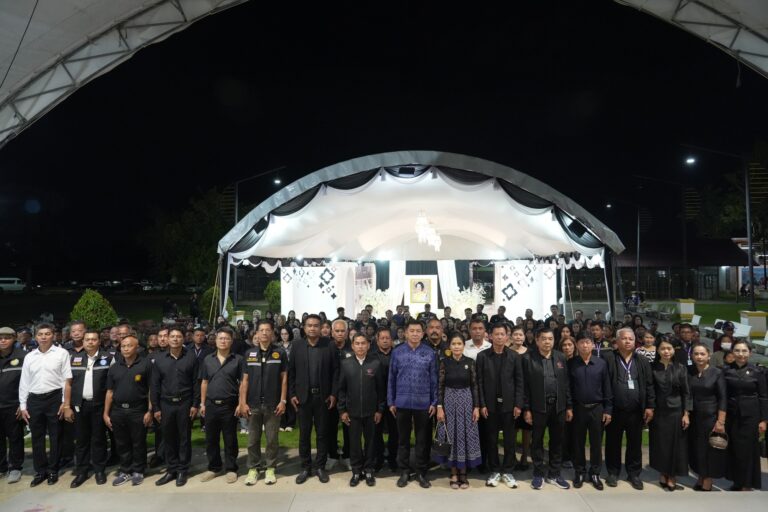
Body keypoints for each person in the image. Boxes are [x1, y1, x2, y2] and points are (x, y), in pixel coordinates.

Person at [19, 323, 73, 487]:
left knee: (56, 436)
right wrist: (23, 405)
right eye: (40, 334)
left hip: (54, 398)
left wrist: (64, 402)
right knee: (37, 437)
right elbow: (24, 381)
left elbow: (66, 380)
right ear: (36, 337)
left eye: (47, 333)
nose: (43, 337)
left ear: (53, 335)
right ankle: (40, 471)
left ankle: (53, 470)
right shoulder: (29, 356)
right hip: (34, 400)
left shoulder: (62, 353)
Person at [289, 314, 339, 484]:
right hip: (303, 398)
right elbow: (291, 372)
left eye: (316, 325)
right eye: (309, 325)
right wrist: (292, 394)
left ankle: (320, 467)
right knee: (304, 434)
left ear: (321, 328)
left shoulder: (329, 345)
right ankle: (305, 467)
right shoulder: (297, 346)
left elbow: (336, 372)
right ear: (304, 328)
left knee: (322, 434)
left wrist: (333, 394)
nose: (312, 328)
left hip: (323, 398)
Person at [388, 318, 438, 489]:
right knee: (403, 440)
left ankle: (421, 472)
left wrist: (434, 402)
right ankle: (404, 471)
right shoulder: (397, 352)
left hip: (423, 403)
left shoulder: (429, 353)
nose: (415, 334)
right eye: (412, 331)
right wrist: (391, 401)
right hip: (401, 402)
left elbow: (434, 380)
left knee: (422, 440)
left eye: (418, 331)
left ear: (423, 334)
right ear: (406, 333)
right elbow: (391, 378)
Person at [603, 328, 655, 490]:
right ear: (617, 341)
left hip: (636, 411)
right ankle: (613, 472)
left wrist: (650, 406)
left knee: (635, 443)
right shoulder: (608, 358)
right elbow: (604, 384)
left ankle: (634, 474)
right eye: (624, 338)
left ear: (635, 342)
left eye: (630, 339)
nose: (627, 341)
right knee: (613, 442)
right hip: (615, 410)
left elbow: (649, 385)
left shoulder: (642, 360)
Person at [522, 328, 572, 490]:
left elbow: (566, 384)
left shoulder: (560, 357)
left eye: (550, 339)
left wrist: (569, 406)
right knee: (537, 441)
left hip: (558, 406)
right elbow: (525, 387)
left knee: (557, 441)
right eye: (543, 339)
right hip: (538, 407)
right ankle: (538, 473)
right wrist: (527, 409)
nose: (547, 342)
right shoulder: (528, 358)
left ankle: (554, 474)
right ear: (537, 340)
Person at [150, 327, 200, 487]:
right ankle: (171, 469)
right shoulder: (159, 360)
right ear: (167, 339)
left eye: (178, 336)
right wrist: (156, 407)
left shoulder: (191, 357)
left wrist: (195, 404)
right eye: (172, 336)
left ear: (183, 339)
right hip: (166, 404)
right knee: (168, 437)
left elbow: (196, 383)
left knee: (184, 438)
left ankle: (182, 470)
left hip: (185, 403)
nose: (175, 339)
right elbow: (155, 385)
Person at [476, 323, 523, 489]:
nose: (499, 337)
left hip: (509, 405)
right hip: (489, 405)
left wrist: (518, 404)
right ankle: (495, 470)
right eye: (496, 334)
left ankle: (508, 470)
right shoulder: (482, 356)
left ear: (507, 336)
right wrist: (481, 404)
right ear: (490, 336)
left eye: (502, 334)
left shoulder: (514, 356)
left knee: (510, 440)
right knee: (491, 439)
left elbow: (519, 382)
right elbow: (479, 382)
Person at [241, 321, 288, 486]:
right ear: (256, 333)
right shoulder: (249, 354)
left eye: (268, 330)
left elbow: (284, 379)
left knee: (271, 439)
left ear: (273, 333)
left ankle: (270, 467)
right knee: (252, 440)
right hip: (253, 404)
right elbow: (245, 381)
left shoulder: (279, 353)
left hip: (273, 404)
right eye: (261, 330)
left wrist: (283, 401)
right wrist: (242, 402)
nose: (264, 333)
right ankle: (253, 468)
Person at [434, 332, 481, 489]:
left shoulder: (470, 362)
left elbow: (474, 385)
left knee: (464, 435)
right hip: (448, 401)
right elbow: (440, 386)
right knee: (451, 435)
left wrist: (476, 407)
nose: (456, 347)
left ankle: (463, 473)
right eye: (453, 344)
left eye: (459, 344)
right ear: (449, 346)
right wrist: (439, 407)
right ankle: (453, 473)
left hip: (467, 401)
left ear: (463, 345)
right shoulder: (444, 362)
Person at [338, 333, 385, 487]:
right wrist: (342, 411)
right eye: (357, 343)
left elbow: (381, 390)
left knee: (370, 442)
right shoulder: (346, 364)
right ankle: (357, 471)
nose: (360, 346)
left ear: (368, 345)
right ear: (352, 346)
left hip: (371, 412)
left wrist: (379, 410)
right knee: (354, 443)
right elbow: (341, 390)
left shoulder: (375, 363)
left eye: (363, 343)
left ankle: (369, 470)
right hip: (352, 413)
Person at [103, 335, 152, 486]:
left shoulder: (146, 365)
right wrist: (106, 413)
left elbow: (151, 389)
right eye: (123, 346)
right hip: (118, 411)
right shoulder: (114, 367)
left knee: (138, 442)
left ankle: (138, 470)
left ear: (137, 347)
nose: (125, 348)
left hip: (138, 410)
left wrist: (150, 411)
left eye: (129, 345)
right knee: (121, 443)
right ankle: (125, 470)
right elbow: (110, 391)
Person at [198, 327, 245, 484]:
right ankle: (214, 467)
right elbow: (204, 382)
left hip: (229, 405)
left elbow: (243, 383)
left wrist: (241, 403)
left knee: (230, 438)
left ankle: (231, 468)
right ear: (215, 340)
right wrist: (202, 403)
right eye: (220, 338)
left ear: (231, 341)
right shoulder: (208, 359)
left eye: (226, 338)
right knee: (211, 438)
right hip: (211, 404)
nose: (223, 341)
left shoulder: (238, 359)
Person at [69, 329, 113, 487]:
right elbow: (68, 383)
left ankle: (99, 470)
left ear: (99, 341)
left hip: (99, 405)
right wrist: (67, 405)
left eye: (94, 339)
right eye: (87, 339)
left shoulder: (108, 358)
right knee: (81, 440)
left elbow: (112, 385)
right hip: (79, 406)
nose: (90, 342)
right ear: (83, 341)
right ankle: (82, 471)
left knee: (98, 439)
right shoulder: (74, 358)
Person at [723, 340, 768, 491]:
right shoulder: (726, 371)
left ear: (750, 353)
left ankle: (747, 483)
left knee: (748, 450)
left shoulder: (758, 372)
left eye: (744, 351)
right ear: (732, 352)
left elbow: (763, 397)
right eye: (737, 350)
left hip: (751, 416)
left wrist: (764, 420)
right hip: (732, 415)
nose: (740, 354)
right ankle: (737, 481)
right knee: (734, 448)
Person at [568, 337, 612, 490]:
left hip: (597, 408)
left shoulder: (601, 363)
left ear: (593, 345)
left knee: (596, 443)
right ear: (577, 345)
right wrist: (569, 407)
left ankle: (595, 473)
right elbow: (568, 388)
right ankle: (579, 472)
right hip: (578, 408)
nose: (585, 345)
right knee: (578, 442)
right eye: (581, 342)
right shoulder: (571, 363)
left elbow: (607, 387)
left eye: (588, 342)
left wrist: (608, 409)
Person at [649, 339, 691, 491]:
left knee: (675, 446)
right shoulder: (652, 367)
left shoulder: (681, 368)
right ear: (657, 350)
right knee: (661, 444)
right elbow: (649, 390)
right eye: (663, 348)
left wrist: (686, 414)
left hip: (676, 411)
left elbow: (686, 393)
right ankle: (663, 473)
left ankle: (672, 476)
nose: (666, 351)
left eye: (669, 348)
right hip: (658, 412)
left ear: (674, 350)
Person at [688, 344, 727, 491]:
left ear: (708, 355)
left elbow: (723, 398)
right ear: (692, 356)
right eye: (696, 354)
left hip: (710, 417)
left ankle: (708, 480)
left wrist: (720, 421)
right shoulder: (689, 371)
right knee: (697, 448)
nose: (699, 357)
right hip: (694, 416)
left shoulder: (717, 372)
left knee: (709, 449)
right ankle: (700, 476)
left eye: (702, 354)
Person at [326, 319, 352, 472]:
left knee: (349, 426)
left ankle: (348, 455)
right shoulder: (326, 348)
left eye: (343, 331)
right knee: (330, 427)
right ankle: (333, 455)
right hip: (330, 395)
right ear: (332, 332)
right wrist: (330, 393)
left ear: (347, 332)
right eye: (337, 331)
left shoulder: (353, 348)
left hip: (349, 395)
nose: (340, 333)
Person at [0, 326, 25, 484]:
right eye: (0, 338)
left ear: (14, 339)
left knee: (15, 438)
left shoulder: (22, 357)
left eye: (7, 338)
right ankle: (1, 467)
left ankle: (15, 467)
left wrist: (22, 404)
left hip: (13, 405)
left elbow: (27, 382)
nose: (3, 341)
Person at [372, 327, 398, 472]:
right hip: (377, 399)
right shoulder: (372, 356)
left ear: (391, 340)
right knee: (377, 431)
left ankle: (393, 459)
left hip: (395, 399)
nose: (385, 340)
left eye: (388, 338)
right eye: (382, 338)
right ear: (377, 340)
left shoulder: (397, 355)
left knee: (395, 431)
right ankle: (379, 458)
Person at [509, 325, 531, 471]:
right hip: (511, 394)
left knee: (527, 428)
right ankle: (511, 456)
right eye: (515, 334)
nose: (518, 337)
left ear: (524, 337)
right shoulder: (507, 352)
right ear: (511, 336)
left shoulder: (530, 353)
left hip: (527, 393)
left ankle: (524, 456)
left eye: (520, 335)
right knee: (513, 427)